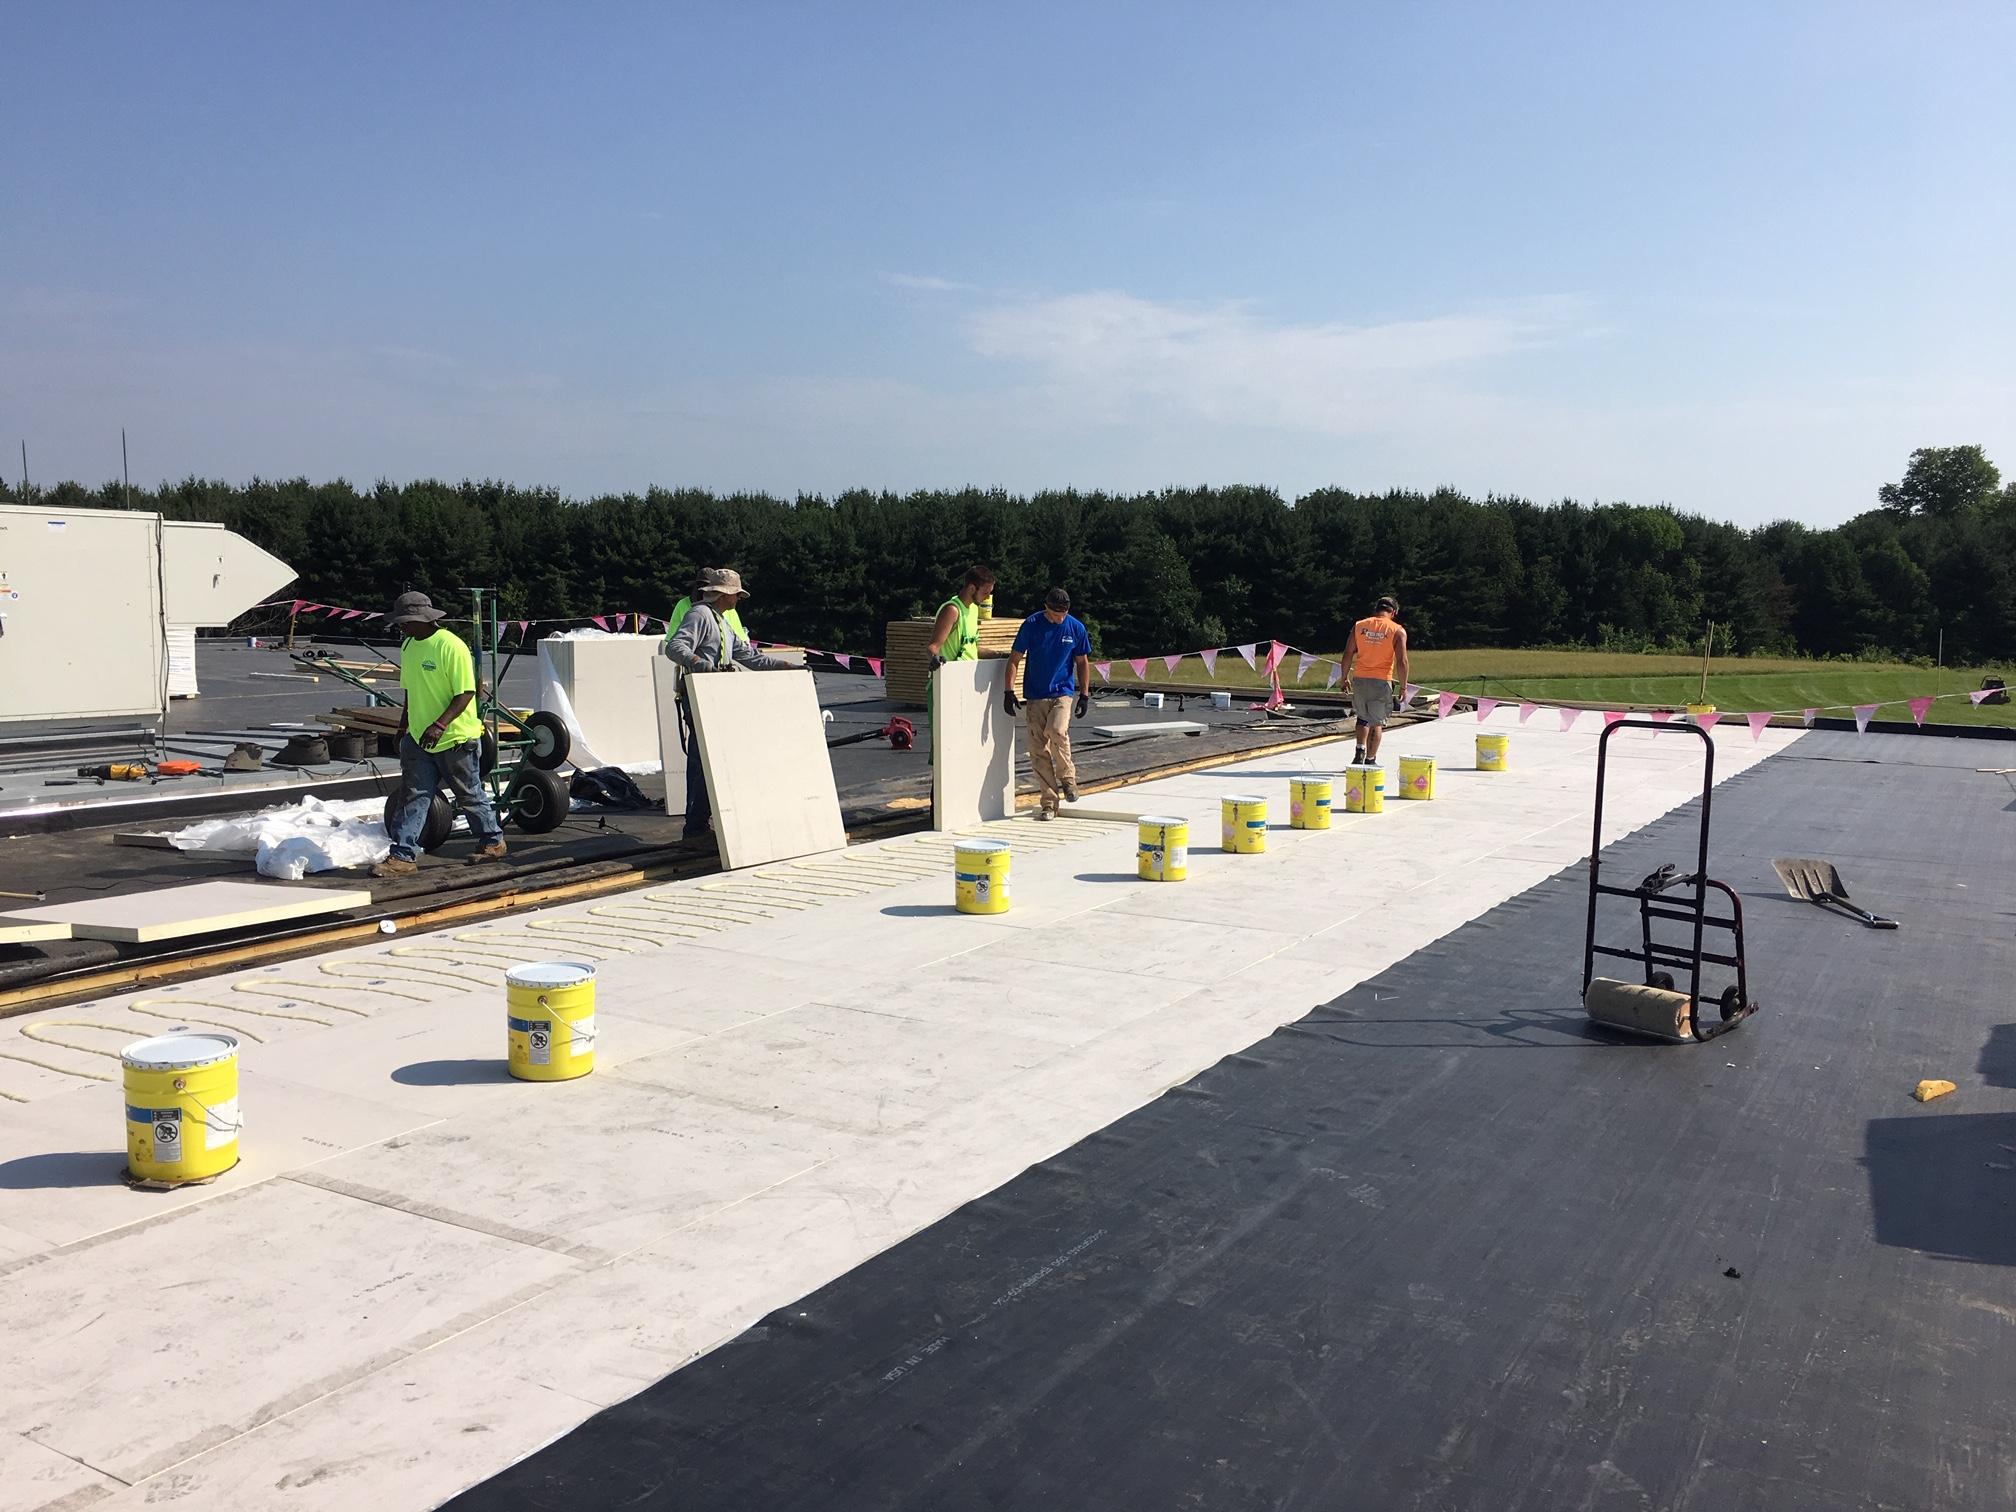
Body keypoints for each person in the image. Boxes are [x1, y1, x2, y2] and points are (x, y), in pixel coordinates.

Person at [372, 590, 506, 877]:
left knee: (469, 795)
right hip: (419, 738)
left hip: (455, 738)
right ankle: (402, 856)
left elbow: (466, 693)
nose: (401, 627)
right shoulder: (408, 646)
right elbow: (410, 691)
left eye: (405, 621)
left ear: (422, 619)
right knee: (413, 796)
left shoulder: (451, 646)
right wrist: (403, 727)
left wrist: (440, 725)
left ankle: (493, 841)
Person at [661, 567, 790, 842]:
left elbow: (748, 656)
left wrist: (784, 666)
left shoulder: (720, 620)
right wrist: (704, 666)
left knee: (711, 763)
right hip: (699, 696)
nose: (738, 600)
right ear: (724, 594)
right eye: (736, 595)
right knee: (700, 764)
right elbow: (674, 647)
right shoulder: (699, 615)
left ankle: (700, 826)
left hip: (715, 697)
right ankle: (694, 830)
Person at [1004, 587, 1091, 819]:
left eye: (1063, 613)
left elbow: (1082, 662)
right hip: (1035, 695)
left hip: (1062, 691)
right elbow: (1014, 659)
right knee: (1038, 750)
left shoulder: (1075, 628)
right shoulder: (1031, 625)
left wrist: (1084, 694)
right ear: (1046, 607)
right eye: (1055, 613)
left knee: (1057, 730)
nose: (1059, 618)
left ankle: (1068, 779)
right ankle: (1049, 803)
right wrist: (1008, 690)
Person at [1343, 594, 1409, 766]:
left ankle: (1359, 752)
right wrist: (1403, 686)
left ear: (1376, 609)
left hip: (1360, 678)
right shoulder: (1397, 630)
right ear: (1393, 612)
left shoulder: (1359, 626)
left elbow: (1348, 653)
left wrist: (1344, 678)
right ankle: (1371, 760)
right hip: (1381, 681)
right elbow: (1402, 661)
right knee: (1376, 722)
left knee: (1362, 717)